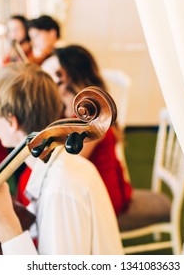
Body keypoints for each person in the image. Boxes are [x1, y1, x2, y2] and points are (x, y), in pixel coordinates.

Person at [0, 63, 123, 255]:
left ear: (11, 122)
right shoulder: (54, 168)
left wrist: (5, 226)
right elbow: (35, 227)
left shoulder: (60, 189)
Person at [41, 45, 132, 215]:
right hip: (84, 188)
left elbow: (65, 164)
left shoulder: (93, 117)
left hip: (102, 198)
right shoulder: (68, 110)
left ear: (65, 77)